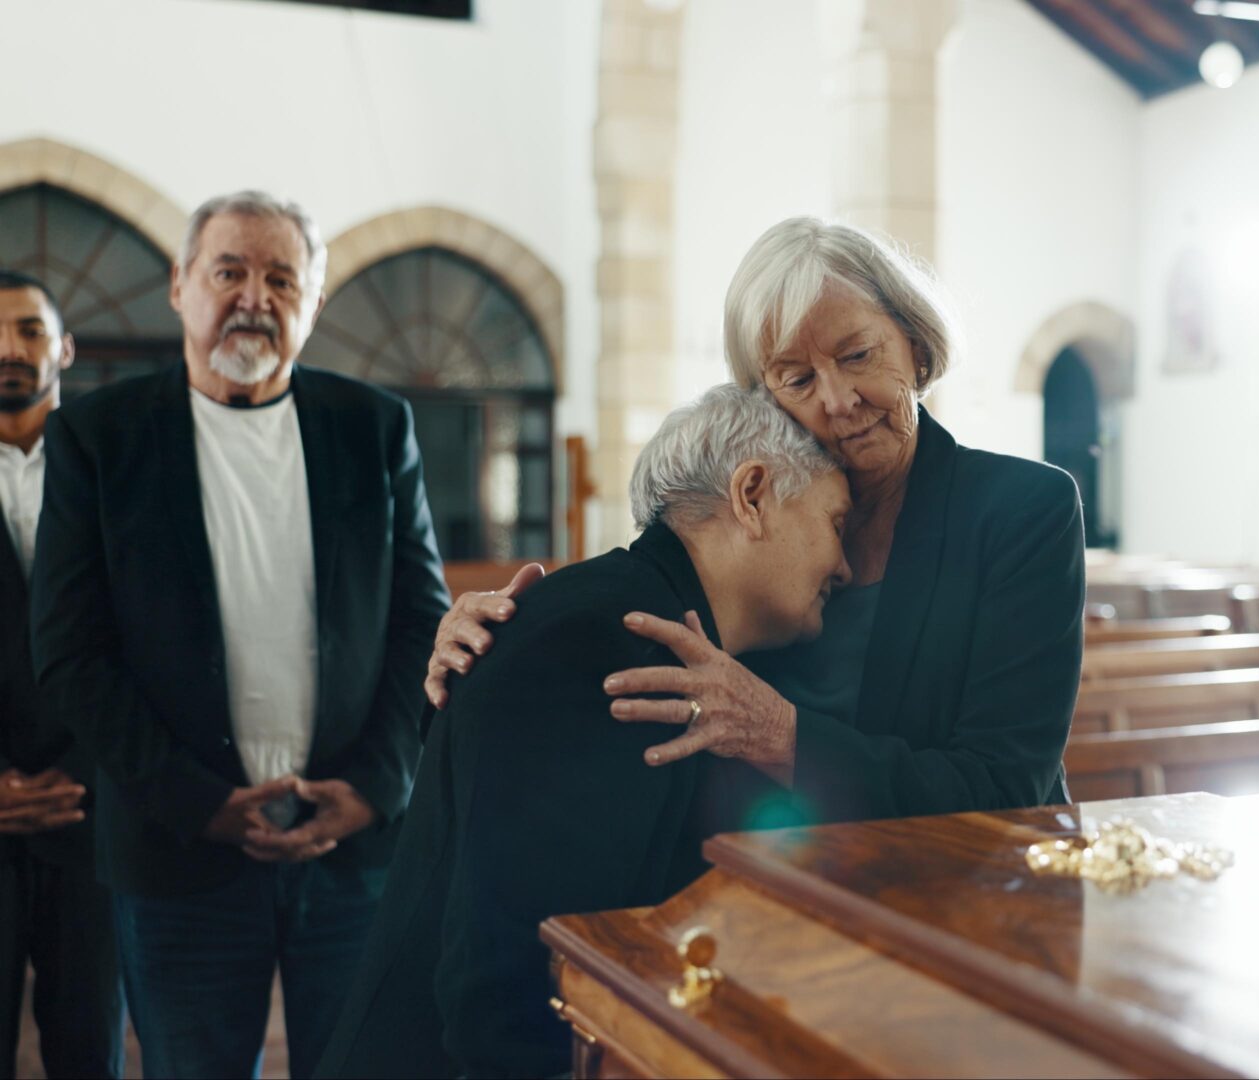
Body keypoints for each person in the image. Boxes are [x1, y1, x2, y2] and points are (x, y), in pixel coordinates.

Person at [428, 216, 1084, 827]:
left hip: (969, 894)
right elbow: (647, 620)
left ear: (914, 345)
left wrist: (783, 736)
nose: (837, 400)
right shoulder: (754, 517)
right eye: (796, 379)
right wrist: (492, 643)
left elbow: (1004, 791)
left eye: (857, 355)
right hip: (775, 898)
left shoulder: (1023, 510)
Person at [30, 192, 449, 1078]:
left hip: (351, 847)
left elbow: (423, 623)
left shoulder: (372, 428)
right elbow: (71, 653)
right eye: (229, 271)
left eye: (280, 278)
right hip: (178, 850)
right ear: (180, 286)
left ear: (314, 305)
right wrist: (198, 804)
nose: (254, 296)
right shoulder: (98, 439)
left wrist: (375, 786)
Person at [319, 384, 852, 1079]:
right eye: (837, 522)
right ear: (752, 495)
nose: (844, 565)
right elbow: (514, 974)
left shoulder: (639, 621)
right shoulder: (603, 642)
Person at [0, 271, 124, 1079]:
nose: (9, 350)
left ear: (65, 349)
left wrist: (89, 773)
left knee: (89, 1049)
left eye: (30, 331)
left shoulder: (115, 470)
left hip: (95, 810)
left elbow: (145, 638)